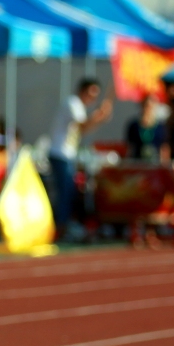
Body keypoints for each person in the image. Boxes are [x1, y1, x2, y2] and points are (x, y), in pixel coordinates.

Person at [47, 78, 109, 240]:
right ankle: (61, 228)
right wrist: (98, 116)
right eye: (90, 94)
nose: (92, 99)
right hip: (60, 154)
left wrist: (99, 119)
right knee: (65, 193)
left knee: (69, 192)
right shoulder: (72, 103)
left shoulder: (78, 106)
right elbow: (83, 125)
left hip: (66, 154)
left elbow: (83, 130)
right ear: (82, 90)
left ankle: (64, 226)